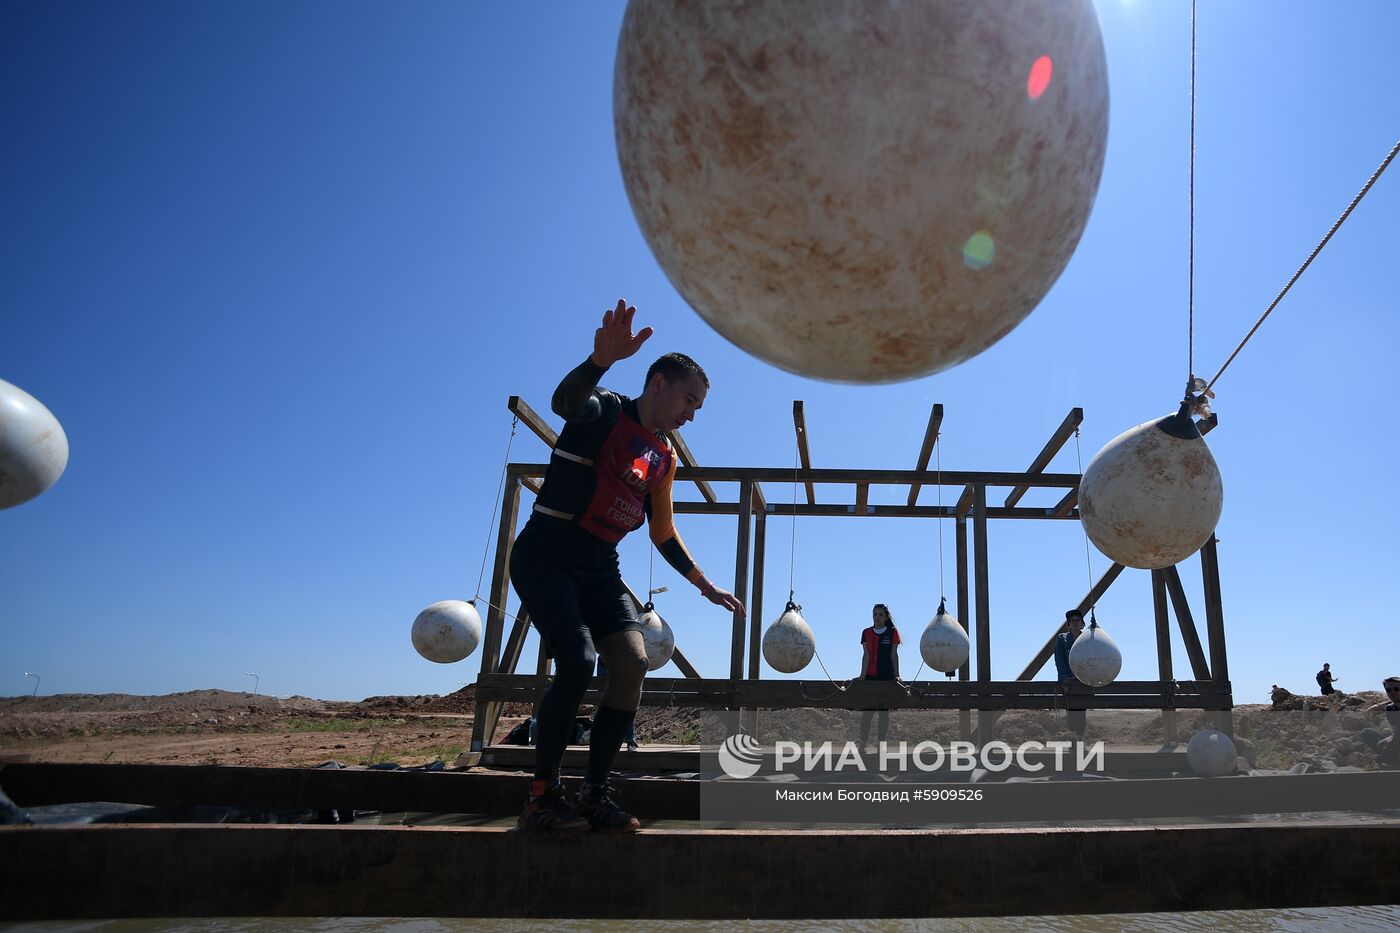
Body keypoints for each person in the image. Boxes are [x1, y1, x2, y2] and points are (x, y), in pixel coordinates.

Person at [509, 299, 745, 834]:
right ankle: (541, 798)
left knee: (632, 663)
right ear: (657, 383)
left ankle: (593, 793)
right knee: (576, 661)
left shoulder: (665, 459)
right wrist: (599, 360)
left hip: (599, 567)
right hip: (546, 555)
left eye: (699, 407)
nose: (692, 413)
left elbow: (662, 531)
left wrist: (703, 585)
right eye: (689, 399)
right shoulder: (605, 409)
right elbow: (564, 400)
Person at [856, 604, 901, 750]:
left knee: (883, 713)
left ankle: (881, 742)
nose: (877, 617)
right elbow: (866, 655)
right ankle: (863, 743)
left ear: (886, 617)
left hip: (886, 676)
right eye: (875, 614)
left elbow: (893, 654)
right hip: (870, 677)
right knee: (867, 713)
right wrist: (862, 676)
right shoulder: (866, 632)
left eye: (881, 614)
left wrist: (897, 675)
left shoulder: (892, 632)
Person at [1053, 609, 1087, 737]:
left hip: (1084, 680)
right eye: (1072, 620)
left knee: (1081, 711)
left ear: (1082, 623)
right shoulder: (1062, 639)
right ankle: (1073, 742)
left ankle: (1080, 741)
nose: (1075, 623)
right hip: (1069, 681)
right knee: (1071, 712)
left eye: (1078, 620)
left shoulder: (1087, 638)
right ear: (1068, 624)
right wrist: (1064, 678)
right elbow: (1059, 659)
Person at [596, 657, 638, 750]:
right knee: (625, 704)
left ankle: (607, 738)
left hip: (606, 660)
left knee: (607, 702)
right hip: (617, 659)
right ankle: (630, 740)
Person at [1359, 676, 1400, 768]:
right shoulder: (1390, 709)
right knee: (1366, 733)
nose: (1392, 692)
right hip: (1397, 740)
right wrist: (1387, 741)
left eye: (1396, 689)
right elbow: (1397, 731)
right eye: (1388, 690)